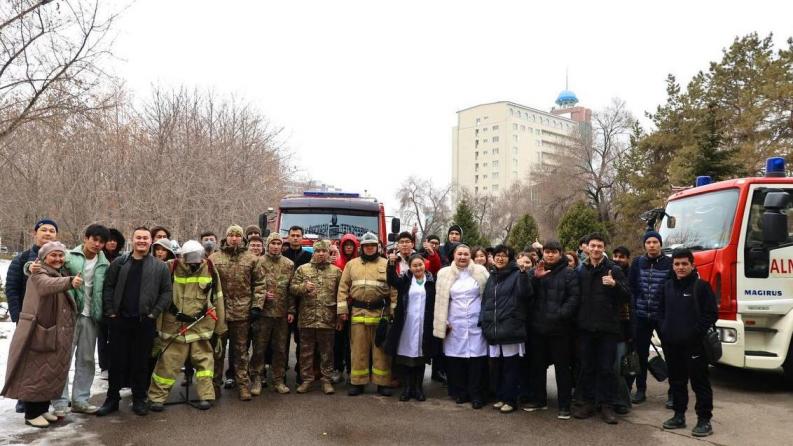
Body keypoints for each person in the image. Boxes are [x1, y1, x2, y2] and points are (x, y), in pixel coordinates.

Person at [2, 242, 81, 427]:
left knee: (50, 373)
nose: (58, 259)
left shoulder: (57, 272)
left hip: (53, 333)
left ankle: (43, 409)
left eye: (61, 256)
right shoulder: (38, 273)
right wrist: (69, 281)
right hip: (39, 333)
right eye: (53, 255)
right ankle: (31, 413)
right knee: (36, 373)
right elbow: (47, 285)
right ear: (44, 257)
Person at [97, 227, 172, 417]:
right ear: (133, 240)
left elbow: (166, 293)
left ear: (150, 242)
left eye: (145, 238)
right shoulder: (120, 263)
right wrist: (110, 311)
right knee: (116, 362)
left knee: (141, 363)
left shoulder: (160, 266)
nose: (142, 241)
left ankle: (139, 398)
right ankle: (112, 399)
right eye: (138, 237)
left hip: (145, 321)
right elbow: (108, 287)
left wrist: (154, 313)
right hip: (120, 320)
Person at [148, 241, 226, 411]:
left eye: (197, 262)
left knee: (204, 364)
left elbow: (217, 298)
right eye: (190, 262)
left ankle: (206, 396)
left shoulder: (210, 269)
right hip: (174, 327)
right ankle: (157, 398)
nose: (194, 265)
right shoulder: (169, 268)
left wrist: (220, 329)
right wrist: (155, 326)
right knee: (167, 364)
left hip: (201, 326)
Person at [49, 224, 111, 416]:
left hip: (90, 317)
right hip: (68, 315)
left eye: (102, 242)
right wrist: (29, 267)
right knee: (63, 359)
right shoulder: (68, 256)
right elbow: (44, 265)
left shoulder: (105, 264)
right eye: (94, 239)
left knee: (86, 359)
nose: (97, 244)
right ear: (86, 238)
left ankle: (80, 400)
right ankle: (60, 401)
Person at [658, 248, 717, 437]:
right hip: (671, 344)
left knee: (699, 382)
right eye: (677, 264)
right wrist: (664, 330)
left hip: (694, 345)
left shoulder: (702, 287)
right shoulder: (667, 287)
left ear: (693, 265)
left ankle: (704, 420)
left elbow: (710, 315)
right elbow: (660, 312)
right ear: (672, 266)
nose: (680, 267)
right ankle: (679, 415)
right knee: (677, 382)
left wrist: (695, 333)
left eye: (684, 264)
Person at [573, 233, 630, 424]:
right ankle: (588, 403)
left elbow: (628, 296)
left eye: (599, 246)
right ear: (586, 248)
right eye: (593, 246)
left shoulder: (614, 269)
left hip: (608, 329)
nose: (596, 249)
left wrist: (615, 285)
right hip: (586, 329)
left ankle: (607, 406)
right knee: (587, 367)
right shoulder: (581, 270)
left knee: (607, 369)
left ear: (604, 248)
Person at [5, 219, 58, 414]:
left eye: (52, 231)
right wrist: (18, 317)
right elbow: (11, 289)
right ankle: (23, 398)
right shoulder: (22, 258)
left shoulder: (59, 258)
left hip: (50, 321)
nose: (48, 233)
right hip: (27, 319)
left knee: (45, 363)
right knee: (24, 360)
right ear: (35, 233)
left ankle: (42, 398)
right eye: (44, 230)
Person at [209, 225, 266, 401]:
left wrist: (257, 306)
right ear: (226, 237)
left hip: (242, 312)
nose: (234, 238)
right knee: (217, 351)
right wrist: (208, 307)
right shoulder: (214, 258)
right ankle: (214, 386)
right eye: (231, 235)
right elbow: (206, 285)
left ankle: (243, 385)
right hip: (219, 312)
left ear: (242, 238)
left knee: (241, 351)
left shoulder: (251, 259)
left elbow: (260, 284)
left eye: (237, 235)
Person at [525, 240, 579, 419]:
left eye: (554, 252)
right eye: (547, 251)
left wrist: (560, 314)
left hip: (560, 329)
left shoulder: (569, 273)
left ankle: (564, 404)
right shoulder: (536, 271)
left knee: (562, 368)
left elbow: (574, 298)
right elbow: (526, 295)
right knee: (537, 366)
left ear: (560, 253)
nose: (550, 255)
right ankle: (539, 399)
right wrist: (535, 278)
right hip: (538, 328)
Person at [433, 244, 490, 409]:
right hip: (454, 324)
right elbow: (440, 300)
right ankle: (460, 393)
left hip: (476, 324)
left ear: (470, 256)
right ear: (454, 256)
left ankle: (477, 394)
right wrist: (442, 321)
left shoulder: (480, 272)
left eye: (466, 254)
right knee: (456, 361)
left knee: (477, 360)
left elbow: (487, 296)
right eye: (460, 254)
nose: (463, 257)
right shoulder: (444, 274)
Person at [337, 232, 394, 396]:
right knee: (358, 351)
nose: (369, 248)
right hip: (358, 313)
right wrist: (342, 310)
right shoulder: (351, 265)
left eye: (372, 246)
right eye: (366, 246)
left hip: (380, 314)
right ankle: (358, 383)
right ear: (361, 248)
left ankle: (382, 383)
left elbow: (394, 290)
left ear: (378, 247)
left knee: (381, 351)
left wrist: (393, 312)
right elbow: (342, 288)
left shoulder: (386, 263)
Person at [480, 245, 532, 414]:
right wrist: (484, 322)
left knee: (511, 367)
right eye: (497, 255)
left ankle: (511, 399)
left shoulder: (518, 274)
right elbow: (486, 302)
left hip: (510, 328)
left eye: (504, 256)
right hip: (494, 329)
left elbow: (526, 294)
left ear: (510, 258)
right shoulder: (492, 276)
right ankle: (501, 396)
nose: (500, 258)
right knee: (498, 367)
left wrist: (524, 274)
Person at [290, 240, 342, 394]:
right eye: (318, 251)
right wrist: (303, 288)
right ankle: (307, 380)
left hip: (328, 319)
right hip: (307, 318)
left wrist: (340, 318)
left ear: (328, 253)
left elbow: (342, 295)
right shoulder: (302, 270)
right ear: (314, 252)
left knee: (327, 352)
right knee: (306, 352)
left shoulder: (336, 272)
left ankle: (326, 380)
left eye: (324, 251)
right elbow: (292, 289)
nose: (321, 254)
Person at [628, 230, 673, 406]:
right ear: (644, 245)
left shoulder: (669, 263)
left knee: (670, 353)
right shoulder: (638, 262)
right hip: (641, 316)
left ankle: (673, 392)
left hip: (662, 317)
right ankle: (640, 390)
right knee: (640, 354)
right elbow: (631, 287)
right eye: (648, 242)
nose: (652, 245)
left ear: (660, 244)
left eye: (655, 242)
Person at [386, 252, 437, 402]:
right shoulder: (406, 280)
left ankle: (419, 389)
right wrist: (390, 264)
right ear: (410, 267)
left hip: (424, 325)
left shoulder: (431, 281)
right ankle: (407, 388)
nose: (417, 268)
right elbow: (392, 280)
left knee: (421, 357)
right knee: (407, 358)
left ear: (424, 265)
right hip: (407, 324)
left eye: (420, 265)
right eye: (414, 265)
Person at [249, 232, 294, 395]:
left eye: (278, 243)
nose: (275, 246)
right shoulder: (258, 262)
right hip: (263, 314)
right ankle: (257, 379)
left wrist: (291, 310)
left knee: (280, 349)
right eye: (273, 243)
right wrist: (261, 296)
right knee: (259, 348)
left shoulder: (289, 264)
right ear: (268, 245)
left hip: (281, 314)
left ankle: (278, 380)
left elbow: (291, 290)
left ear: (282, 246)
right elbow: (250, 285)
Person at [282, 226, 313, 383]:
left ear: (302, 237)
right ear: (288, 237)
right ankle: (281, 372)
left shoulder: (309, 256)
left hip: (303, 304)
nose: (295, 238)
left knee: (302, 340)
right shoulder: (282, 254)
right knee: (283, 340)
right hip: (284, 302)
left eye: (298, 235)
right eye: (292, 235)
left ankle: (302, 371)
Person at [332, 233, 359, 383]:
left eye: (351, 245)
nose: (348, 247)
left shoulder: (359, 263)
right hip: (340, 307)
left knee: (353, 342)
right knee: (338, 341)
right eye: (346, 245)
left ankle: (351, 369)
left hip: (355, 307)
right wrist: (339, 312)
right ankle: (337, 369)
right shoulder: (337, 262)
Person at [99, 228, 125, 379]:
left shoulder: (123, 259)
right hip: (100, 302)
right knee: (102, 336)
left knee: (117, 336)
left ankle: (117, 364)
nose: (112, 242)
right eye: (109, 240)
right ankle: (104, 366)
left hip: (118, 303)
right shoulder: (98, 257)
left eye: (115, 240)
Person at [611, 245, 633, 414]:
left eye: (622, 256)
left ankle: (622, 401)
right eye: (615, 255)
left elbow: (628, 297)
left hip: (625, 328)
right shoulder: (608, 271)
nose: (618, 259)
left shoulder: (631, 276)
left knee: (620, 367)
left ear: (628, 259)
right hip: (609, 327)